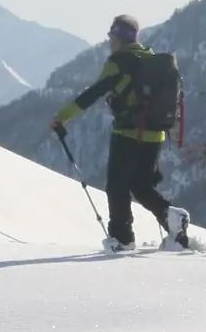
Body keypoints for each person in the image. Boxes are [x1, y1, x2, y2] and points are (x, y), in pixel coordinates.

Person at [51, 14, 192, 252]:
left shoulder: (118, 63)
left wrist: (61, 117)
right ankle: (173, 219)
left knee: (117, 186)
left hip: (128, 133)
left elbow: (92, 94)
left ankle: (122, 238)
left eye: (111, 36)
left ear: (118, 37)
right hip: (155, 134)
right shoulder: (150, 58)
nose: (109, 40)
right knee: (141, 186)